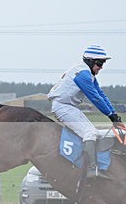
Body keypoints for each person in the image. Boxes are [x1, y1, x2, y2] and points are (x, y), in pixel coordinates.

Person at [47, 44, 123, 178]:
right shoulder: (83, 75)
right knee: (90, 132)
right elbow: (94, 98)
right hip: (63, 107)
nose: (101, 67)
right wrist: (111, 116)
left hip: (69, 107)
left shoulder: (88, 73)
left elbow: (101, 94)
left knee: (95, 133)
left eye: (103, 63)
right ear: (90, 61)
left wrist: (114, 114)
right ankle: (91, 170)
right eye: (99, 63)